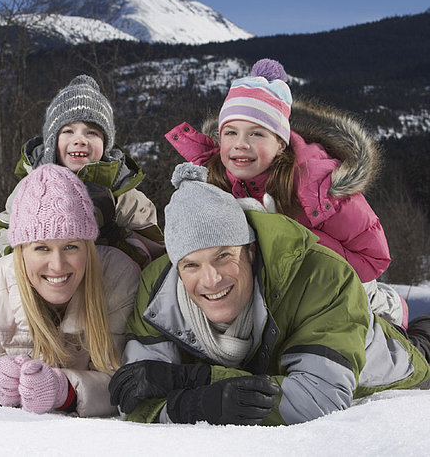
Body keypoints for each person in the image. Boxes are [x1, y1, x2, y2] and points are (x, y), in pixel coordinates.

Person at [109, 163, 430, 426]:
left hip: (371, 352)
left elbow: (317, 399)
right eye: (191, 264)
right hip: (296, 349)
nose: (211, 279)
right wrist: (191, 407)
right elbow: (134, 400)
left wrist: (194, 378)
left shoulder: (322, 275)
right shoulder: (157, 291)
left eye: (223, 256)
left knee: (421, 353)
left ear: (249, 250)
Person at [165, 59, 407, 328]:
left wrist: (289, 238)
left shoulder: (319, 187)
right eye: (230, 133)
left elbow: (373, 259)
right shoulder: (213, 183)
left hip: (346, 288)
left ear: (281, 143)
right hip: (273, 296)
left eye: (256, 134)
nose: (240, 144)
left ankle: (393, 309)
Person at [0, 164, 141, 417]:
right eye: (41, 248)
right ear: (21, 251)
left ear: (89, 247)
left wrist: (65, 390)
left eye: (71, 247)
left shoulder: (117, 278)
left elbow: (126, 383)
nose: (57, 265)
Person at [0, 74, 165, 269]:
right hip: (47, 279)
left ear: (106, 144)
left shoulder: (123, 194)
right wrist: (20, 259)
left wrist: (114, 233)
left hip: (107, 286)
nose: (80, 139)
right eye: (68, 131)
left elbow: (154, 250)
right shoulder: (32, 188)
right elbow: (4, 227)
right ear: (52, 141)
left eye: (92, 132)